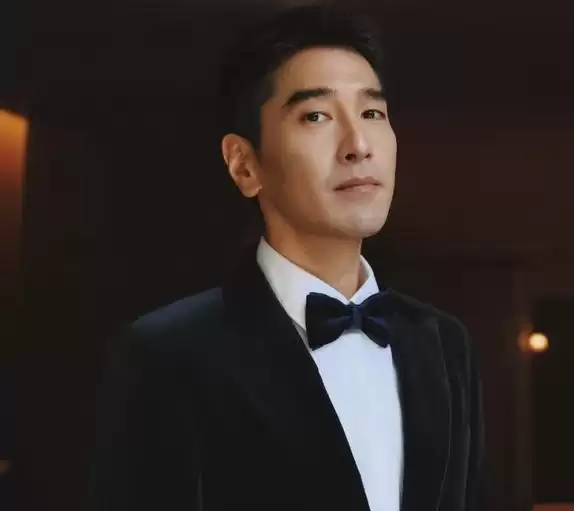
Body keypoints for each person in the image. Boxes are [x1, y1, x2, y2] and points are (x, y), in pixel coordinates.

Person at [91, 5, 487, 511]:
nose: (358, 145)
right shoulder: (168, 355)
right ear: (244, 165)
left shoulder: (444, 343)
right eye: (316, 116)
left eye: (372, 113)